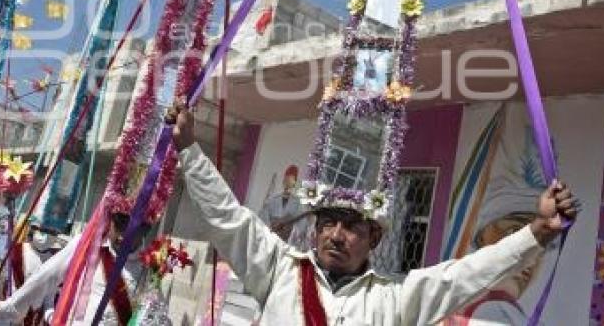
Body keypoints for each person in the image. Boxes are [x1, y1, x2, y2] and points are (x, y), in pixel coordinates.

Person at [169, 103, 579, 325]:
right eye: (327, 222)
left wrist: (537, 232)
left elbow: (465, 276)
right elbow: (226, 216)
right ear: (314, 229)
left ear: (375, 238)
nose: (336, 235)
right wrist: (189, 150)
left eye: (351, 227)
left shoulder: (393, 299)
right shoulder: (278, 270)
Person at [0, 212, 147, 325]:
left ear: (143, 232)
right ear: (110, 221)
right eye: (118, 227)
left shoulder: (149, 265)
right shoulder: (88, 245)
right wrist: (6, 309)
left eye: (131, 233)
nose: (120, 237)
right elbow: (45, 277)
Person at [441, 212, 543, 325]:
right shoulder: (492, 312)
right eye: (515, 232)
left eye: (542, 247)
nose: (532, 260)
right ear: (481, 238)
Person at [258, 164, 303, 242]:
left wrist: (290, 231)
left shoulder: (297, 202)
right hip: (270, 235)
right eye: (286, 180)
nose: (288, 183)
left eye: (291, 181)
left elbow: (301, 223)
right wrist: (270, 229)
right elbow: (263, 215)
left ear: (294, 184)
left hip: (285, 239)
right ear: (283, 181)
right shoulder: (273, 198)